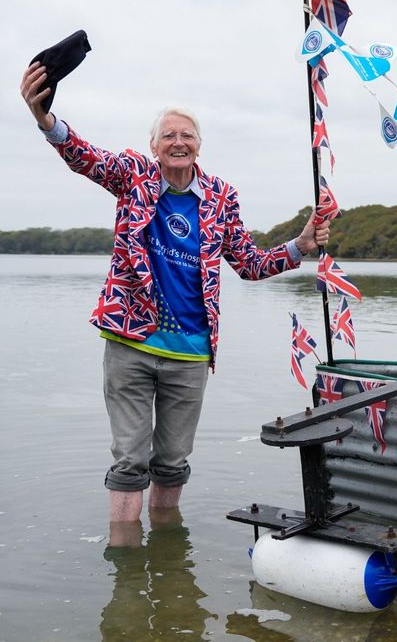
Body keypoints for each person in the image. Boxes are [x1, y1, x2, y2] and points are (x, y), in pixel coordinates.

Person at [20, 61, 330, 535]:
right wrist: (46, 120)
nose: (178, 142)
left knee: (172, 461)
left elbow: (247, 263)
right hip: (131, 342)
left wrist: (299, 248)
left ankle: (164, 546)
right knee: (129, 460)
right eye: (168, 136)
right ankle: (129, 565)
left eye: (187, 135)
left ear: (199, 145)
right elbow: (86, 157)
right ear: (154, 147)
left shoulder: (221, 198)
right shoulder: (133, 177)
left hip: (190, 353)